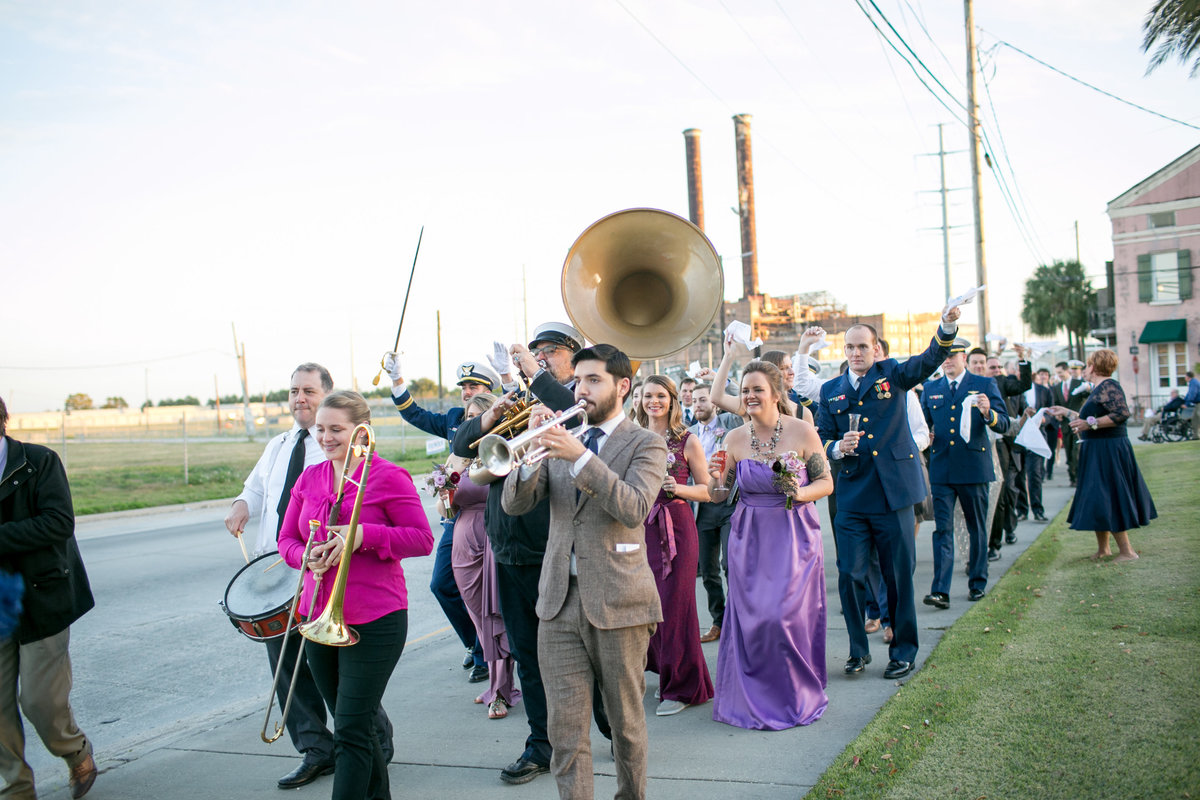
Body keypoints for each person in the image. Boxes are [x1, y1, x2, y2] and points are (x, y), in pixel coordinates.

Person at [502, 344, 665, 800]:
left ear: (622, 386)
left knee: (625, 723)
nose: (582, 389)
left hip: (620, 601)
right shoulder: (560, 436)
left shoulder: (645, 443)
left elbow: (633, 507)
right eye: (578, 380)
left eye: (594, 380)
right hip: (557, 603)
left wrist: (579, 456)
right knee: (565, 731)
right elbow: (515, 505)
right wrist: (530, 452)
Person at [453, 321, 610, 786]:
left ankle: (611, 727)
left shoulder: (581, 397)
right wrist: (493, 413)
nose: (540, 357)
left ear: (573, 356)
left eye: (549, 351)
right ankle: (541, 744)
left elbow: (584, 421)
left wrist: (534, 377)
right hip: (509, 547)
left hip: (555, 548)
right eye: (536, 351)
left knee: (585, 652)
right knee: (528, 653)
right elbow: (463, 447)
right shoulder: (523, 400)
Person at [224, 363, 392, 789]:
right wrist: (243, 504)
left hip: (328, 580)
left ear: (328, 395)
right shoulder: (279, 443)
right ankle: (316, 749)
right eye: (294, 390)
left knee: (342, 675)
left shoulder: (339, 446)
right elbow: (257, 488)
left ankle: (372, 743)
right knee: (286, 667)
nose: (300, 398)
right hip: (283, 568)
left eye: (309, 391)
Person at [279, 390, 434, 800]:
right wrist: (305, 556)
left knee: (348, 730)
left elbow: (421, 539)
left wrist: (360, 535)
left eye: (336, 430)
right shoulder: (309, 478)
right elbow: (287, 539)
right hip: (317, 615)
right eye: (320, 429)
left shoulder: (388, 476)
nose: (326, 438)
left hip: (375, 618)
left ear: (361, 432)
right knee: (358, 728)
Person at [816, 303, 960, 680]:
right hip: (850, 496)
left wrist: (946, 325)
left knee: (898, 576)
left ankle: (903, 651)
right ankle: (857, 651)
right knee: (850, 574)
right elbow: (820, 436)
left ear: (876, 349)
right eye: (850, 347)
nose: (856, 353)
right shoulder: (831, 390)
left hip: (892, 493)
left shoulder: (893, 375)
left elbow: (931, 358)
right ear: (843, 351)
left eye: (863, 346)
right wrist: (835, 448)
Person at [707, 362, 833, 730]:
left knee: (783, 617)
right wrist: (715, 478)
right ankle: (751, 694)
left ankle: (793, 693)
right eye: (745, 390)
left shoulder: (803, 432)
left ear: (776, 394)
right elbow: (718, 495)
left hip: (793, 534)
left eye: (757, 389)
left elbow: (825, 482)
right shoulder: (733, 440)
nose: (749, 396)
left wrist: (800, 492)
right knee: (754, 620)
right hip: (748, 537)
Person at [0, 396, 98, 800]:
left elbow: (59, 522)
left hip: (41, 597)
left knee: (41, 702)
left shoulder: (38, 461)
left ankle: (75, 751)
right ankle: (17, 789)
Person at [384, 353, 503, 681]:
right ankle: (474, 643)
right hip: (457, 516)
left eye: (474, 385)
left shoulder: (501, 417)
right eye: (463, 386)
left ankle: (487, 658)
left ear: (489, 388)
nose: (467, 392)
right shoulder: (455, 417)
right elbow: (416, 415)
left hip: (492, 514)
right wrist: (397, 381)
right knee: (442, 585)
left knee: (491, 594)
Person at [634, 376, 713, 716]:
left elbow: (707, 489)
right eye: (648, 396)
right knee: (647, 606)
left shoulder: (686, 439)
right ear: (638, 400)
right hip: (640, 528)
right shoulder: (632, 438)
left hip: (676, 527)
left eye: (661, 396)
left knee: (675, 605)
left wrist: (678, 488)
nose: (654, 401)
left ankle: (681, 688)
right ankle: (666, 673)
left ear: (672, 400)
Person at [447, 394, 521, 720]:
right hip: (464, 540)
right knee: (479, 619)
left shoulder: (505, 449)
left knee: (497, 617)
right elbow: (446, 508)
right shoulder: (459, 456)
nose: (476, 420)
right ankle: (496, 684)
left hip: (495, 535)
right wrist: (443, 491)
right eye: (470, 416)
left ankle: (502, 692)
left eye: (482, 414)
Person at [921, 340, 1009, 606]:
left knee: (977, 529)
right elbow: (923, 425)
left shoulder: (983, 385)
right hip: (943, 470)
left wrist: (987, 412)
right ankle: (941, 590)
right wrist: (926, 435)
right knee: (942, 530)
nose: (947, 361)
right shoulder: (931, 388)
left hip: (973, 468)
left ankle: (977, 582)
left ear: (963, 358)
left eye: (953, 356)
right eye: (944, 357)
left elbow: (1003, 423)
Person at [1048, 350, 1156, 562]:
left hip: (1109, 450)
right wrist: (1066, 411)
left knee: (1111, 495)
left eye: (1087, 365)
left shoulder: (1109, 386)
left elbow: (1122, 414)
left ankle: (1127, 552)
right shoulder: (1098, 388)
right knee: (1099, 497)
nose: (1084, 370)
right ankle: (1103, 549)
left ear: (1094, 367)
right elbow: (1091, 417)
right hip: (1097, 448)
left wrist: (1089, 424)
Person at [688, 383, 744, 644]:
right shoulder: (688, 434)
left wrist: (719, 380)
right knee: (709, 569)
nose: (698, 404)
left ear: (713, 403)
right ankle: (718, 621)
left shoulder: (729, 422)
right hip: (703, 508)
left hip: (730, 503)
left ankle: (737, 619)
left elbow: (739, 403)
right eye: (694, 401)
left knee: (729, 565)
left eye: (703, 400)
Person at [1063, 359, 1092, 486]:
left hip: (1078, 421)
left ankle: (1078, 478)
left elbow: (1087, 396)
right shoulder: (1062, 384)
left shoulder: (1083, 384)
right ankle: (1072, 477)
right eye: (1072, 369)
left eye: (1076, 369)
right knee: (1069, 453)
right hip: (1065, 424)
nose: (1073, 371)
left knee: (1076, 452)